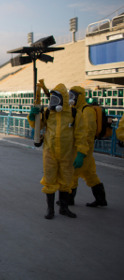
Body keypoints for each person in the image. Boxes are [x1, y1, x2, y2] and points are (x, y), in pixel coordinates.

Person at [28, 83, 88, 220]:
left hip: (68, 154)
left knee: (66, 180)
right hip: (50, 152)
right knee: (49, 180)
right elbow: (38, 125)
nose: (53, 103)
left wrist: (81, 153)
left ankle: (64, 207)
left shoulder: (74, 114)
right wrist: (32, 116)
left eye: (56, 100)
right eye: (52, 100)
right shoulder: (49, 113)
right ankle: (50, 209)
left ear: (64, 99)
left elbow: (81, 134)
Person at [68, 86, 107, 207]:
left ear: (79, 97)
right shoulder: (75, 109)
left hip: (84, 148)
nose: (71, 99)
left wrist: (82, 151)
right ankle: (101, 199)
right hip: (82, 148)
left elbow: (88, 132)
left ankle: (68, 200)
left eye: (72, 96)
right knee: (90, 174)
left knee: (73, 173)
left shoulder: (87, 111)